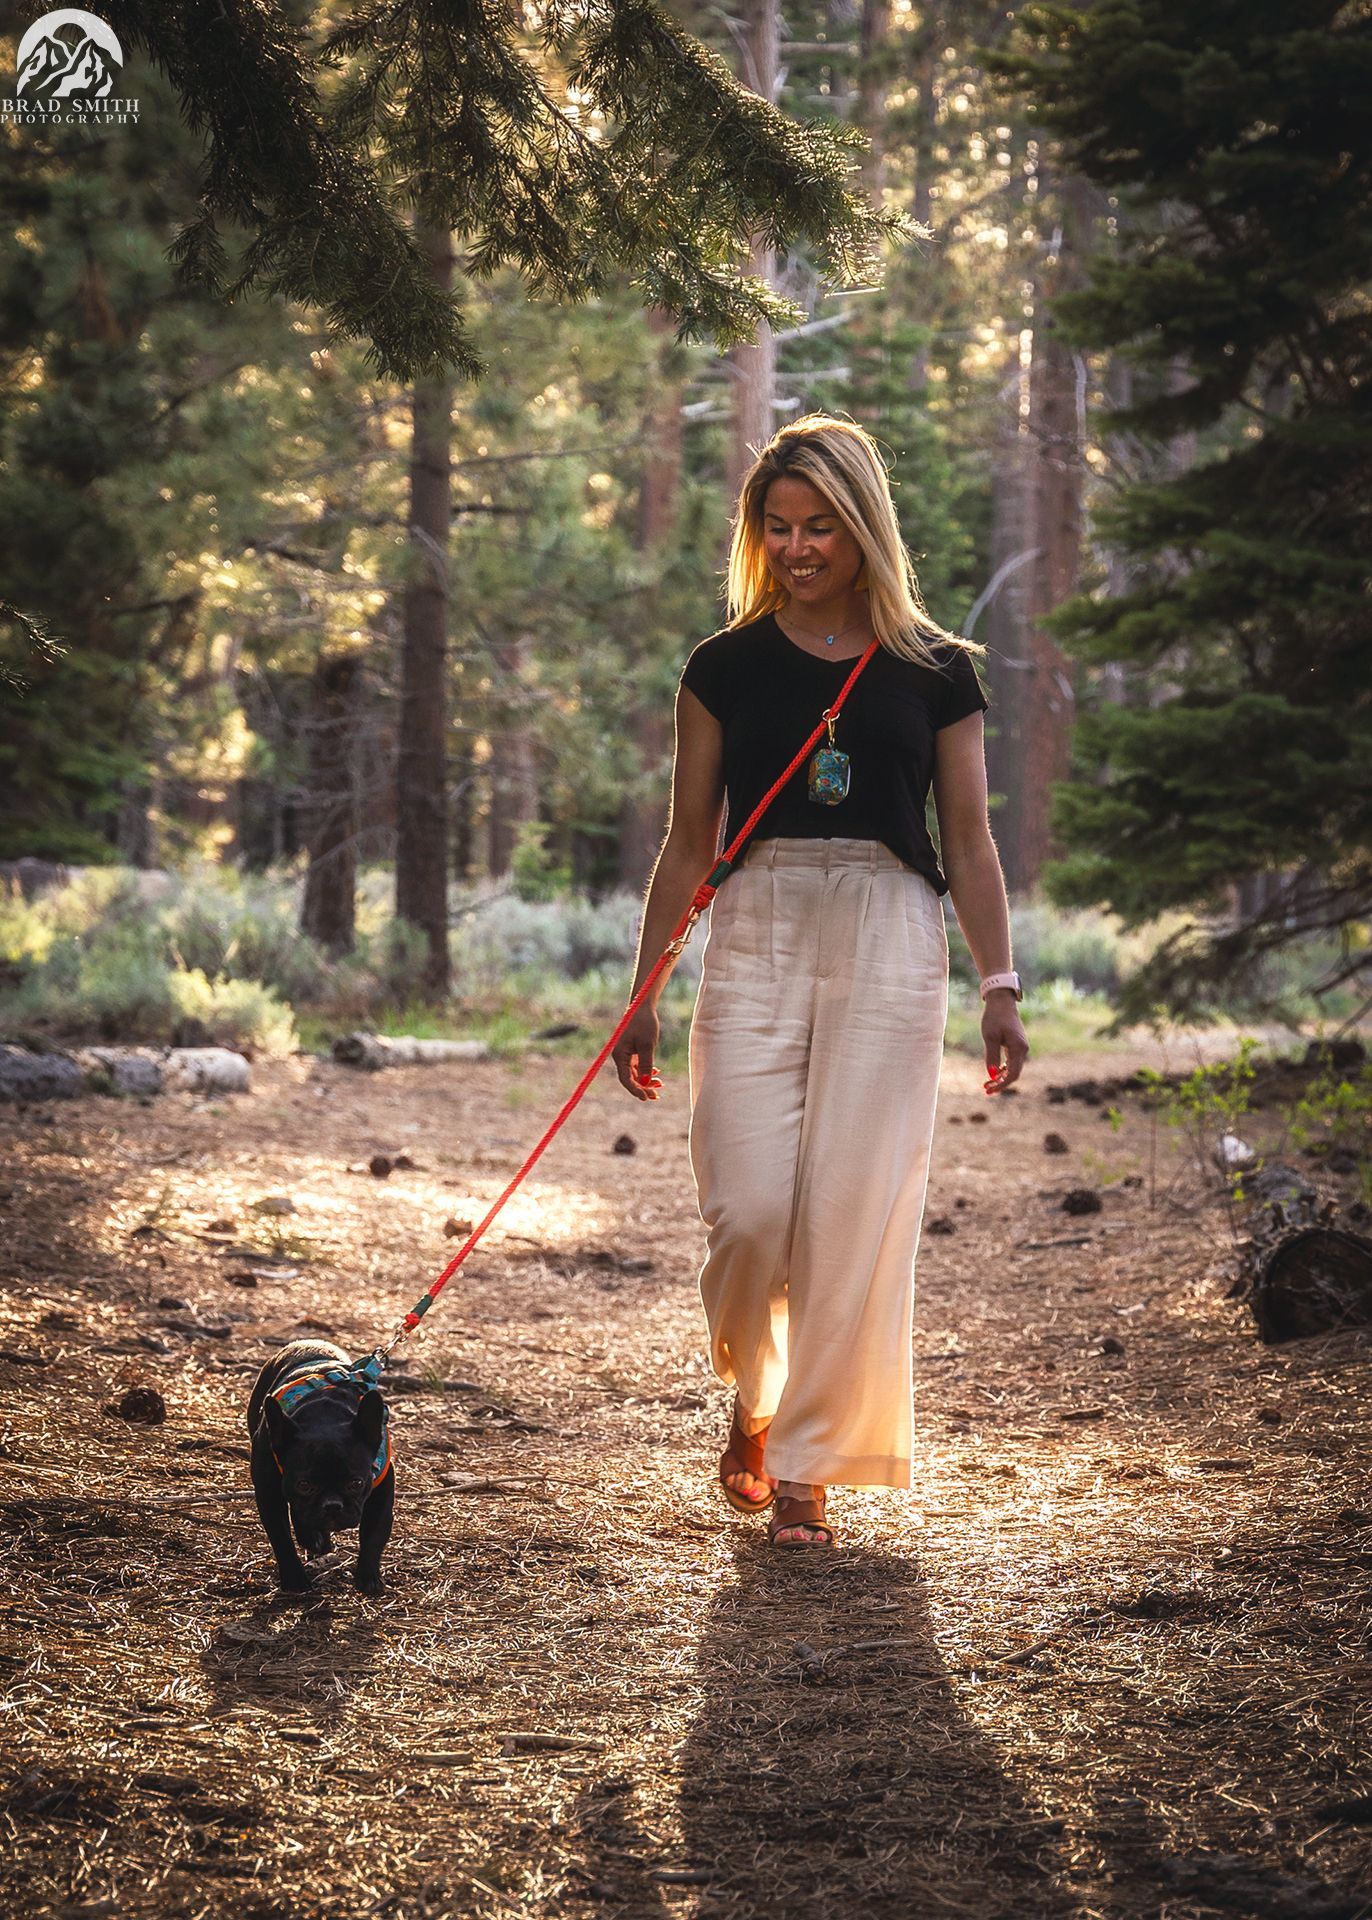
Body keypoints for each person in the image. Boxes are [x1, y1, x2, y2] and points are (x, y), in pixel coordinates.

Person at [612, 414, 1029, 1549]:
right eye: (777, 527)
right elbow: (687, 841)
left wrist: (1001, 984)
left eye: (821, 527)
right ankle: (754, 1402)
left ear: (864, 526)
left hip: (892, 930)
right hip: (757, 926)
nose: (798, 549)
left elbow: (973, 841)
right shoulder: (724, 666)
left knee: (852, 1213)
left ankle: (805, 1467)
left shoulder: (936, 671)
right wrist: (641, 991)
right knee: (747, 1214)